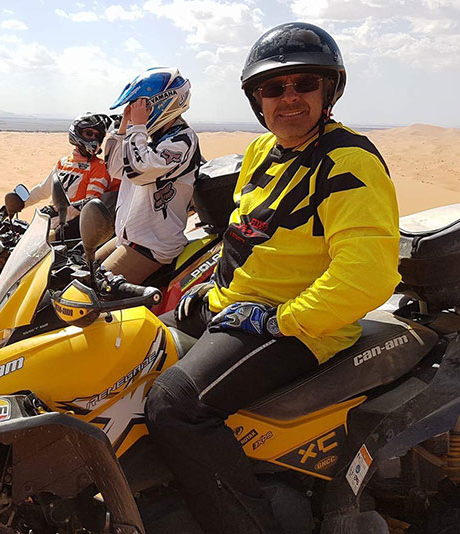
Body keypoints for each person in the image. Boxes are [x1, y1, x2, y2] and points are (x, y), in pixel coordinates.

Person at [145, 23, 401, 533]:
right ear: (256, 99)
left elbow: (367, 274)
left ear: (329, 90)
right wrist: (212, 293)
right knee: (127, 349)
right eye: (273, 87)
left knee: (175, 406)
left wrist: (279, 320)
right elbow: (247, 239)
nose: (289, 98)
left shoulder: (347, 162)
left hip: (303, 327)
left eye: (304, 83)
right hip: (239, 311)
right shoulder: (263, 151)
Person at [97, 67, 201, 284]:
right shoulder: (150, 139)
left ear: (162, 103)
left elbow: (139, 171)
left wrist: (138, 127)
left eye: (141, 105)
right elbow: (116, 168)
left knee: (92, 290)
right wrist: (125, 125)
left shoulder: (183, 140)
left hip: (152, 244)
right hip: (130, 237)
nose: (136, 111)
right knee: (81, 266)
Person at [21, 113, 118, 238]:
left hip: (68, 229)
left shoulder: (99, 167)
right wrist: (19, 204)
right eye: (89, 133)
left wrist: (57, 214)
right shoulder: (63, 163)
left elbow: (89, 206)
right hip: (48, 222)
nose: (94, 139)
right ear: (77, 133)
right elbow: (42, 190)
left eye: (97, 136)